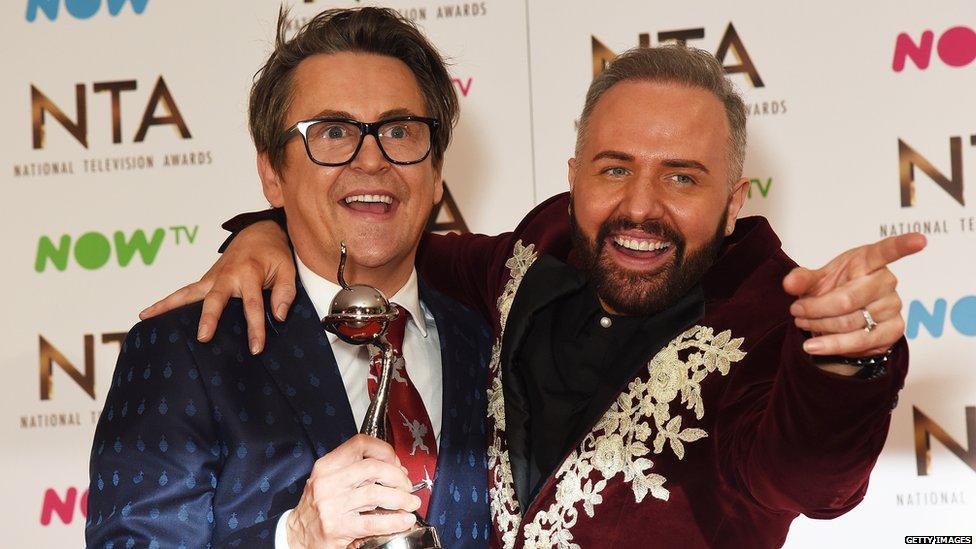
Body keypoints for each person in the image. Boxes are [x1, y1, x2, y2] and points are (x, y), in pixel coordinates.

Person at [145, 46, 925, 547]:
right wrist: (270, 232)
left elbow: (812, 482)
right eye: (614, 168)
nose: (640, 206)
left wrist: (848, 362)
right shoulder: (529, 258)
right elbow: (386, 234)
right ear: (574, 173)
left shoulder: (768, 318)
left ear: (733, 200)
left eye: (683, 176)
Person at [87, 8, 493, 549]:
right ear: (272, 174)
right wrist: (294, 539)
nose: (372, 160)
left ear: (437, 173)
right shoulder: (187, 351)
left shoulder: (494, 346)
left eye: (399, 130)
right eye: (333, 132)